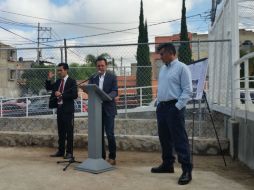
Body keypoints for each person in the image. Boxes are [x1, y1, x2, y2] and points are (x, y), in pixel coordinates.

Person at [151, 43, 193, 185]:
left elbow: (187, 90)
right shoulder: (163, 69)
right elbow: (163, 88)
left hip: (174, 107)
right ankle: (167, 165)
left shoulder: (182, 68)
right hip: (162, 107)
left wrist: (177, 107)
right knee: (164, 138)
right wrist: (158, 102)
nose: (160, 57)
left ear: (170, 53)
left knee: (179, 139)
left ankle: (187, 170)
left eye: (162, 54)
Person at [89, 57, 118, 165]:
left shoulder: (112, 77)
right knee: (98, 134)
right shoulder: (93, 77)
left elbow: (115, 91)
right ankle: (101, 156)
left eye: (102, 65)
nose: (100, 67)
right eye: (98, 66)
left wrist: (106, 96)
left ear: (106, 66)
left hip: (109, 109)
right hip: (96, 109)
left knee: (110, 133)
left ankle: (112, 157)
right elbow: (90, 89)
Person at [45, 63, 78, 159]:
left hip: (68, 110)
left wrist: (61, 95)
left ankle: (69, 153)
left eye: (61, 70)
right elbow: (48, 88)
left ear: (66, 70)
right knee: (61, 131)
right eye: (58, 70)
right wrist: (48, 79)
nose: (59, 72)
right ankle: (61, 151)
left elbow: (74, 95)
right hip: (59, 109)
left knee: (69, 132)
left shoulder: (72, 81)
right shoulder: (58, 82)